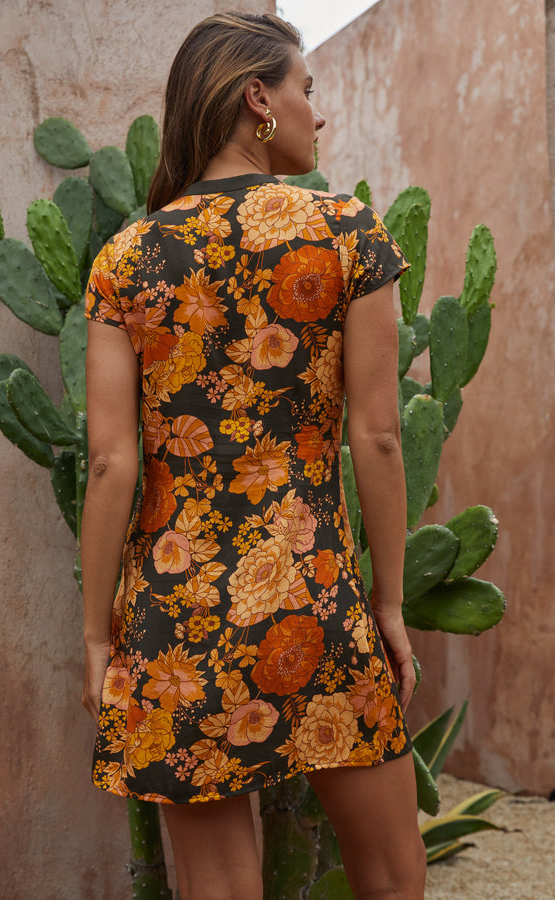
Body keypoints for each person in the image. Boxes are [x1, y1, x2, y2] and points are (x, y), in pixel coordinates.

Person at [81, 11, 426, 900]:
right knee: (391, 875)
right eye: (308, 90)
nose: (320, 112)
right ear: (257, 99)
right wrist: (387, 603)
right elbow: (379, 437)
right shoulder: (347, 235)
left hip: (175, 609)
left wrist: (94, 636)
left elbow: (113, 465)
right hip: (312, 594)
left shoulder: (128, 258)